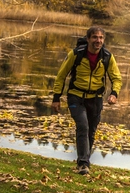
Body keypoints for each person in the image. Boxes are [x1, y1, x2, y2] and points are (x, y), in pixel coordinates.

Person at [52, 26, 122, 175]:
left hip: (96, 99)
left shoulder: (107, 57)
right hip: (76, 96)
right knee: (83, 126)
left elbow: (116, 78)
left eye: (101, 38)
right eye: (95, 37)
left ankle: (84, 161)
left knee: (91, 131)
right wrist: (56, 98)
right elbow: (61, 75)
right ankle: (84, 164)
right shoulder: (76, 54)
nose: (98, 40)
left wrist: (114, 93)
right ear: (88, 39)